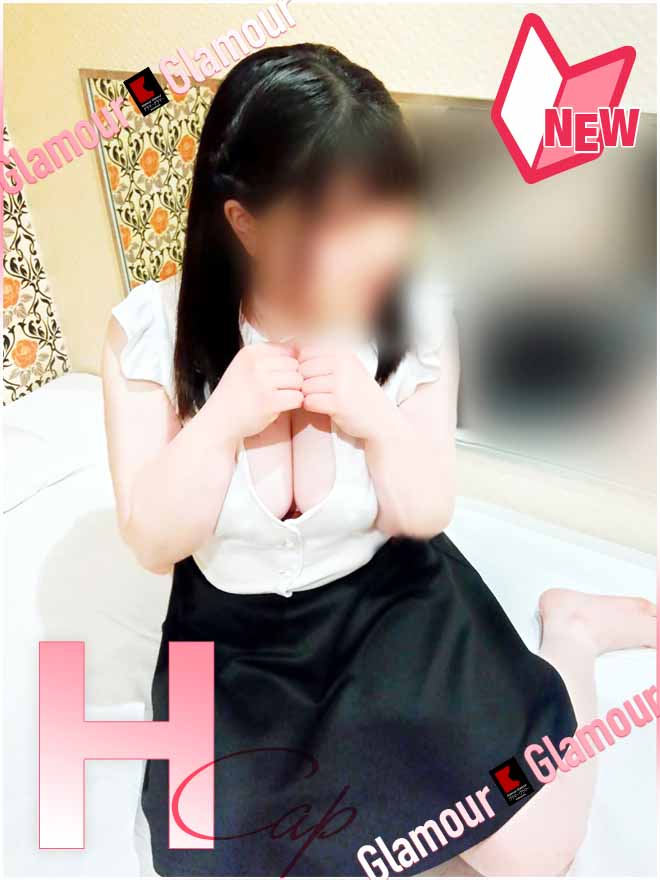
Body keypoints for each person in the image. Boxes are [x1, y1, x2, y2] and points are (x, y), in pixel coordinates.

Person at [102, 43, 656, 877]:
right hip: (235, 650)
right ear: (244, 222)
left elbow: (427, 510)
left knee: (536, 851)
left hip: (391, 607)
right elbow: (153, 544)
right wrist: (219, 422)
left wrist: (373, 419)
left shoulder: (417, 316)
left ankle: (571, 632)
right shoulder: (153, 333)